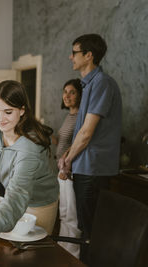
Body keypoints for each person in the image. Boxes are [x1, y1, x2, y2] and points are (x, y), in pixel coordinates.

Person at [0, 80, 59, 264]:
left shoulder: (29, 148)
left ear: (22, 110)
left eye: (8, 112)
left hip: (39, 205)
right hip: (14, 200)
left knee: (31, 259)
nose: (0, 119)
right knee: (11, 254)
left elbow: (17, 194)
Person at [58, 34, 122, 262]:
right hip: (84, 166)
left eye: (74, 52)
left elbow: (87, 133)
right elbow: (80, 131)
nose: (70, 57)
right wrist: (67, 154)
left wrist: (67, 160)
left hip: (93, 168)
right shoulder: (89, 85)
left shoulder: (102, 83)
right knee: (84, 228)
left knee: (90, 232)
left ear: (88, 55)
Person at [53, 79, 82, 258]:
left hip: (69, 170)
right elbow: (64, 141)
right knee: (63, 212)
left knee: (70, 214)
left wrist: (66, 167)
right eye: (65, 91)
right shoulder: (69, 116)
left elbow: (78, 144)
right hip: (61, 169)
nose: (67, 96)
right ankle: (63, 247)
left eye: (72, 92)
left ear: (80, 95)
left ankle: (73, 254)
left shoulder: (81, 117)